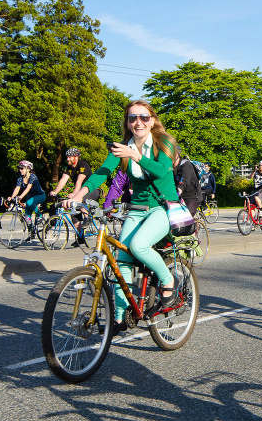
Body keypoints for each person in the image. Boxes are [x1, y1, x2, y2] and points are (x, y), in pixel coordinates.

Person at [64, 100, 179, 332]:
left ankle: (169, 282)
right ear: (127, 122)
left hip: (162, 208)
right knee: (120, 260)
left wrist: (135, 155)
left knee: (138, 246)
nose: (138, 122)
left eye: (144, 117)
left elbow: (161, 171)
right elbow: (102, 172)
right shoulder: (123, 146)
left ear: (152, 120)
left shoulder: (162, 142)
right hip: (136, 209)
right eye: (132, 118)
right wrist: (80, 194)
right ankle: (120, 317)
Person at [51, 147, 100, 246]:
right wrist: (55, 191)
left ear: (76, 157)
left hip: (92, 191)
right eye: (67, 157)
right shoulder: (68, 167)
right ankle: (80, 238)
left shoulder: (83, 165)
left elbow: (79, 181)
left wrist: (75, 194)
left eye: (69, 157)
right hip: (79, 192)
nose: (67, 159)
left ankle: (88, 218)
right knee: (74, 214)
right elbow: (63, 180)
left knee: (79, 200)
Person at [9, 160, 47, 231]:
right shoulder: (20, 177)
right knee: (27, 218)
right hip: (30, 197)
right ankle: (31, 233)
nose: (20, 170)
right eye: (19, 169)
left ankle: (40, 216)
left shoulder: (32, 176)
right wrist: (12, 197)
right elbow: (17, 187)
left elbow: (28, 188)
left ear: (28, 169)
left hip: (40, 195)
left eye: (22, 168)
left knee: (29, 203)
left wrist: (20, 197)